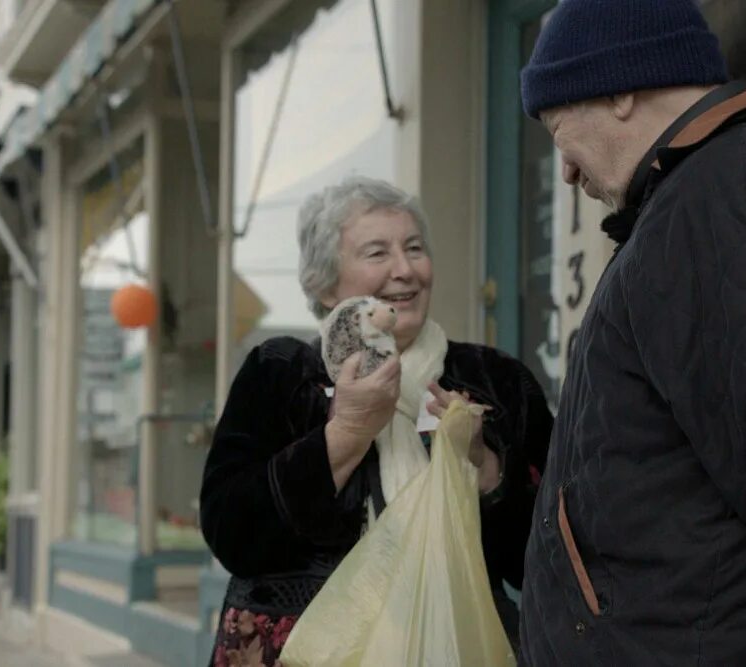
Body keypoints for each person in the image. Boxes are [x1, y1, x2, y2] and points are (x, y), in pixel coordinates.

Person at [516, 0, 746, 664]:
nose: (563, 169)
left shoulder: (723, 197)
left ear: (620, 87)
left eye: (556, 121)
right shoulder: (716, 191)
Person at [200, 176, 552, 667]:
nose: (405, 270)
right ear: (325, 286)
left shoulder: (494, 379)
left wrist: (486, 469)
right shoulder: (280, 373)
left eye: (414, 248)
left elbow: (548, 556)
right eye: (377, 253)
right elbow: (231, 532)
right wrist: (345, 434)